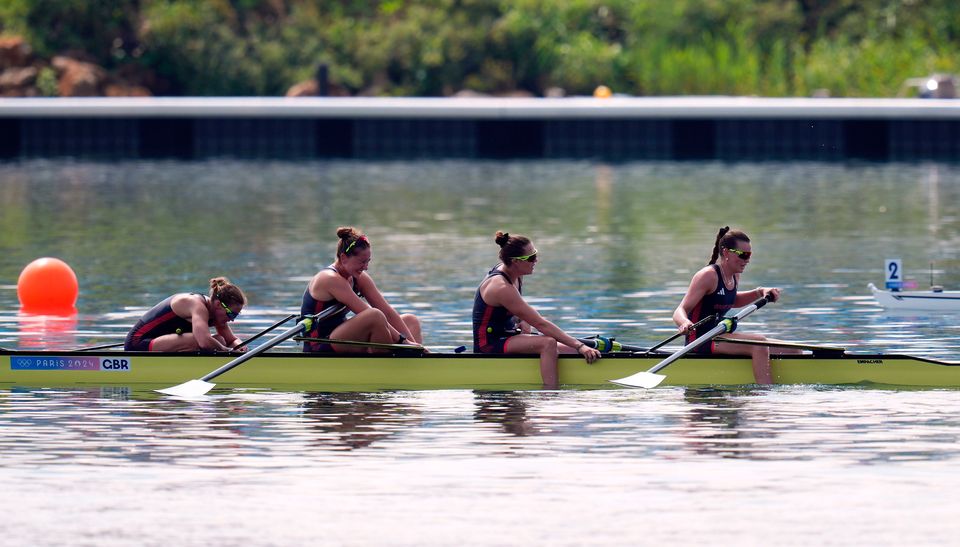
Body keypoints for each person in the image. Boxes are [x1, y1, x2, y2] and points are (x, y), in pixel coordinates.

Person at [473, 231, 601, 389]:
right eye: (531, 258)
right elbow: (541, 324)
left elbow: (519, 308)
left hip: (507, 336)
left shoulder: (515, 273)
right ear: (515, 261)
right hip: (489, 344)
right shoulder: (500, 286)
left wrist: (522, 319)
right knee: (548, 343)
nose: (536, 260)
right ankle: (550, 394)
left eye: (536, 254)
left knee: (569, 348)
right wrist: (580, 345)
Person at [673, 226, 799, 384]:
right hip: (700, 340)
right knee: (759, 343)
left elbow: (732, 300)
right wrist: (684, 323)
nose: (747, 260)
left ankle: (783, 381)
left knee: (794, 350)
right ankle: (765, 396)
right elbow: (680, 310)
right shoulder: (708, 276)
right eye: (743, 255)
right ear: (726, 252)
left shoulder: (734, 275)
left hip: (719, 337)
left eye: (749, 255)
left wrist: (760, 292)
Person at [301, 226, 422, 353]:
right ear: (343, 258)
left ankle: (415, 360)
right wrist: (404, 342)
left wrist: (415, 346)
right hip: (320, 345)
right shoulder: (329, 279)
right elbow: (370, 313)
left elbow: (387, 311)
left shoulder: (357, 277)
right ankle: (384, 366)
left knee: (411, 321)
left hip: (343, 339)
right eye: (361, 262)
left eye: (368, 262)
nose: (366, 267)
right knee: (375, 316)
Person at [124, 277, 247, 352]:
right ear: (219, 305)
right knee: (200, 340)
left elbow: (232, 340)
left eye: (236, 315)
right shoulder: (196, 305)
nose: (232, 320)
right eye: (232, 315)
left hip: (161, 343)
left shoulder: (218, 314)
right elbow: (203, 342)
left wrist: (239, 347)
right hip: (138, 343)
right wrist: (228, 351)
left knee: (220, 339)